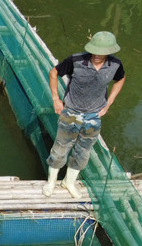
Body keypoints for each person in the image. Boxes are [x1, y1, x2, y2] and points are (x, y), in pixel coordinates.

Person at [43, 31, 126, 199]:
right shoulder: (76, 60)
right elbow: (53, 73)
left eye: (101, 52)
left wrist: (109, 102)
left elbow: (121, 79)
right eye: (94, 51)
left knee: (83, 151)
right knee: (60, 148)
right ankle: (51, 181)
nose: (97, 55)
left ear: (109, 51)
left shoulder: (115, 64)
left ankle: (69, 182)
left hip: (93, 116)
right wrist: (56, 99)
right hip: (71, 112)